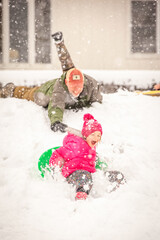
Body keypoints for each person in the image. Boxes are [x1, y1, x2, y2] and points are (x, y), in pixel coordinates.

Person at [0, 32, 103, 133]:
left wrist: (59, 43)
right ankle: (11, 89)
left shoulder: (92, 85)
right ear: (67, 83)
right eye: (73, 88)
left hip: (62, 83)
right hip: (47, 91)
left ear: (83, 83)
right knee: (31, 94)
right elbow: (56, 106)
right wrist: (56, 121)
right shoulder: (60, 87)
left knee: (68, 67)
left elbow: (66, 61)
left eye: (78, 87)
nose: (76, 91)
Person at [49, 113, 103, 200]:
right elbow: (59, 153)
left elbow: (87, 157)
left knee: (111, 175)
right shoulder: (77, 146)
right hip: (73, 174)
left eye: (98, 136)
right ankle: (80, 197)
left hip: (88, 174)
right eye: (93, 135)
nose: (96, 138)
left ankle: (121, 189)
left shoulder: (90, 145)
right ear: (86, 135)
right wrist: (55, 167)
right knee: (84, 176)